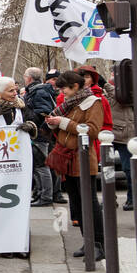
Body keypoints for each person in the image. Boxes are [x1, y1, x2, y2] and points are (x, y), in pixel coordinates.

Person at [44, 70, 106, 262]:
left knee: (89, 203)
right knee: (77, 204)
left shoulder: (92, 102)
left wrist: (62, 122)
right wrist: (54, 124)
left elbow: (93, 130)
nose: (62, 91)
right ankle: (87, 241)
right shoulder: (70, 103)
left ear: (75, 87)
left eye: (64, 88)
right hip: (68, 158)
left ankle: (98, 243)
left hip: (83, 158)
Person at [24, 67, 62, 206]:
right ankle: (40, 193)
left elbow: (44, 112)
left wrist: (30, 123)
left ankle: (46, 196)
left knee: (42, 165)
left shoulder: (39, 91)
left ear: (29, 78)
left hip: (39, 134)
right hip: (36, 133)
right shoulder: (37, 91)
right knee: (37, 165)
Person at [104, 79, 135, 211]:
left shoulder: (125, 95)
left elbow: (117, 95)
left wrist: (105, 83)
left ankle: (132, 199)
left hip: (124, 136)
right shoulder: (105, 95)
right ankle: (110, 199)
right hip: (109, 135)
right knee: (107, 169)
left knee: (128, 169)